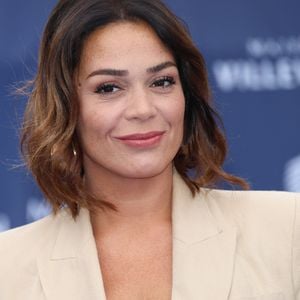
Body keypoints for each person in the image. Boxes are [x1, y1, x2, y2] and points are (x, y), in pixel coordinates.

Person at [0, 0, 299, 299]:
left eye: (161, 81)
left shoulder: (287, 230)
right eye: (109, 88)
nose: (142, 110)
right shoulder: (8, 268)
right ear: (66, 108)